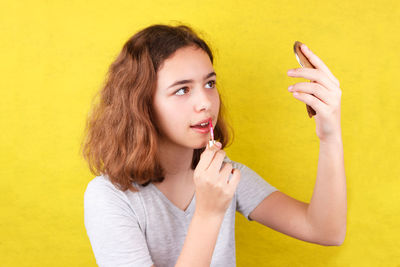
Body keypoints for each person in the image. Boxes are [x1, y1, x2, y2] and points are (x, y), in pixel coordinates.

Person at [81, 23, 347, 267]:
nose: (206, 102)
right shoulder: (109, 198)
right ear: (142, 105)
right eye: (182, 90)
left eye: (209, 84)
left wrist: (330, 135)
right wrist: (208, 213)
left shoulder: (226, 175)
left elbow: (325, 230)